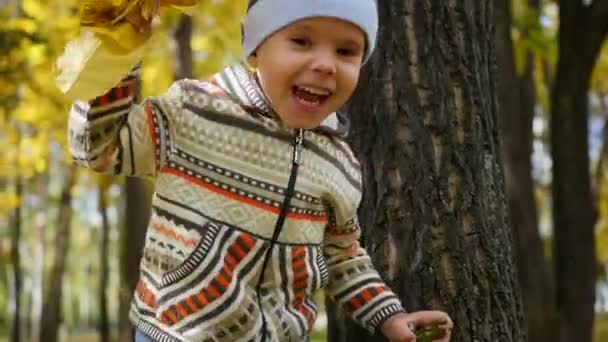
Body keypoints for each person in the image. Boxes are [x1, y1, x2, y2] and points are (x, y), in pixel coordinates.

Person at [67, 0, 453, 341]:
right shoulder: (194, 110)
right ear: (254, 47)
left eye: (346, 51)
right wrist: (113, 52)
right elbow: (97, 148)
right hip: (175, 333)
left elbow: (343, 257)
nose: (324, 64)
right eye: (301, 41)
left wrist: (390, 317)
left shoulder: (340, 164)